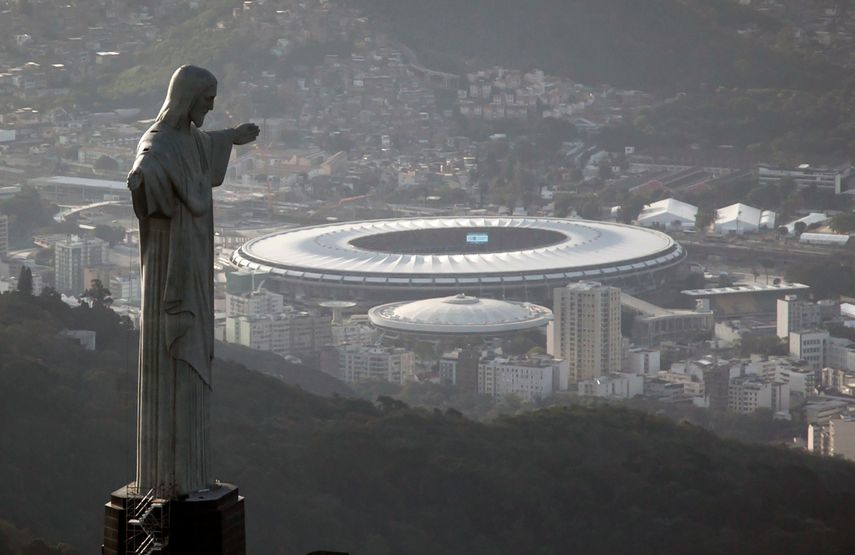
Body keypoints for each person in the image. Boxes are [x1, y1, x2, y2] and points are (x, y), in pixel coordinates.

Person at [127, 65, 259, 496]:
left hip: (194, 259)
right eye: (206, 100)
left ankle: (190, 476)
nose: (211, 106)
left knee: (194, 359)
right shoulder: (159, 144)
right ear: (187, 98)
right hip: (169, 262)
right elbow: (148, 165)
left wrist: (230, 137)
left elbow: (204, 145)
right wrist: (141, 179)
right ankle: (168, 482)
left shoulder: (190, 140)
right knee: (170, 358)